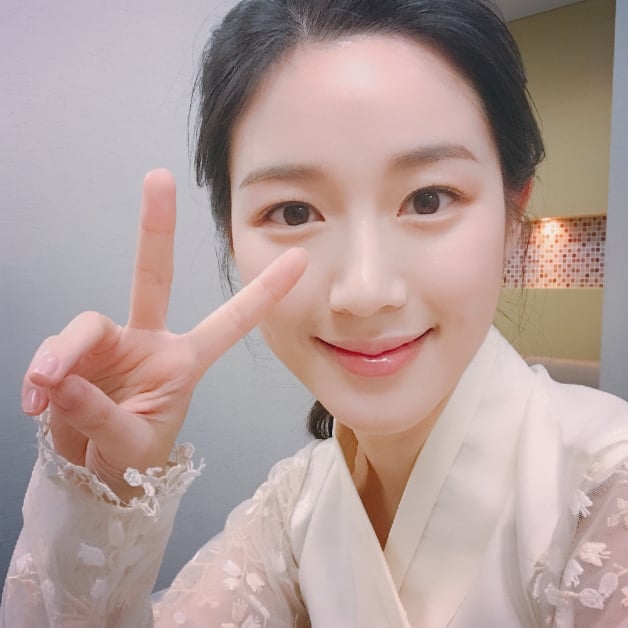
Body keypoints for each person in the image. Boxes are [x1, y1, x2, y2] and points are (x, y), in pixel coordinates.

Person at [2, 0, 628, 625]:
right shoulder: (296, 506)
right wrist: (107, 494)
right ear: (232, 240)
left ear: (514, 217)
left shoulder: (603, 489)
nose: (364, 290)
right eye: (295, 212)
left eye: (429, 199)